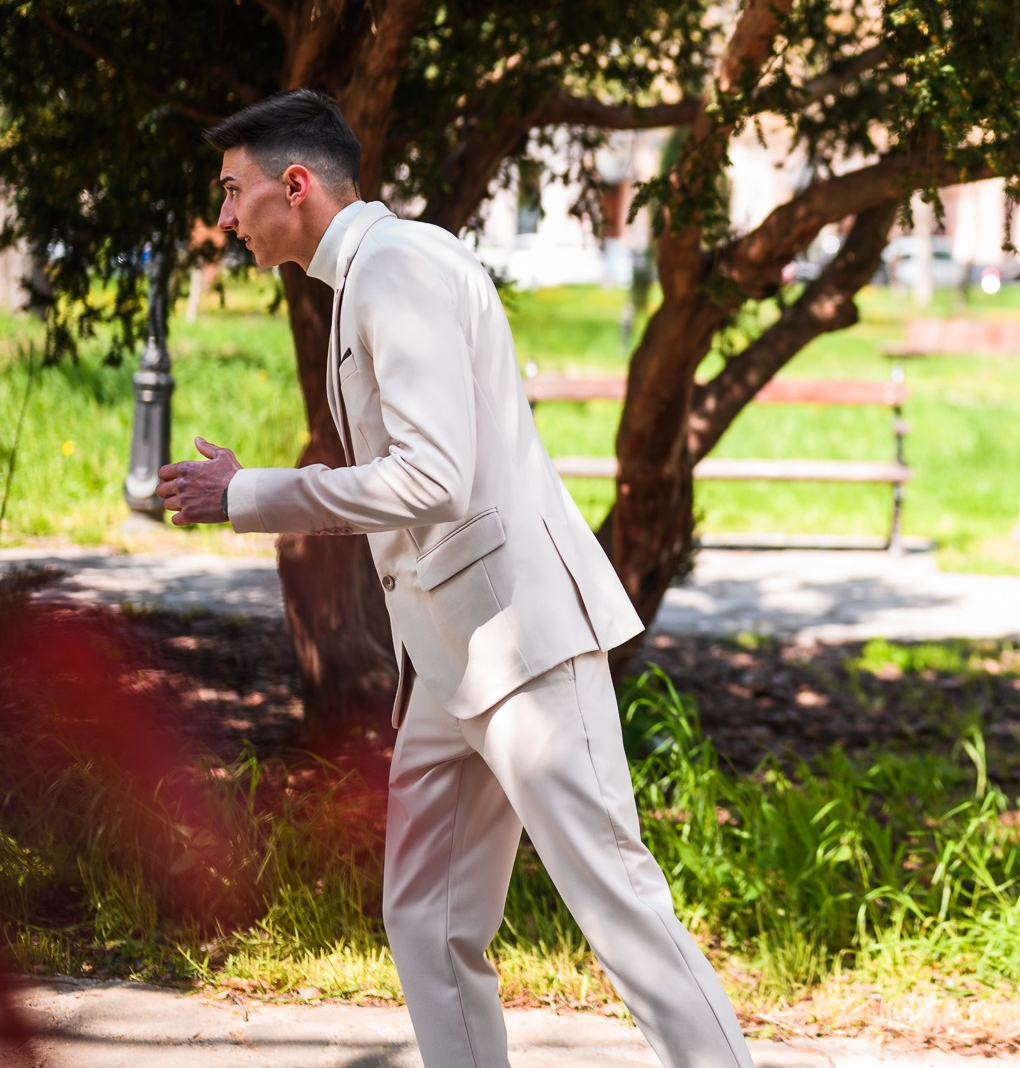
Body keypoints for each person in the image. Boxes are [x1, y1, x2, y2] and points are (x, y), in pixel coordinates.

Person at [155, 90, 756, 1068]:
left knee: (618, 905)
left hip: (520, 640)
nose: (225, 217)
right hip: (451, 658)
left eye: (233, 191)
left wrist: (249, 493)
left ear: (294, 187)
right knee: (429, 921)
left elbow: (432, 475)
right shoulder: (372, 274)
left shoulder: (394, 268)